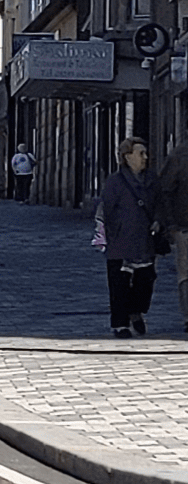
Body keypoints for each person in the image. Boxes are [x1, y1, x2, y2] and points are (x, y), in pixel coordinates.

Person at [98, 136, 160, 338]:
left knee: (146, 282)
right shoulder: (116, 182)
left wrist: (159, 221)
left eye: (145, 153)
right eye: (140, 153)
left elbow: (159, 204)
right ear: (127, 157)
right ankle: (120, 324)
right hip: (121, 242)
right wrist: (113, 234)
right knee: (119, 284)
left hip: (144, 241)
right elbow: (107, 210)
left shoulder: (151, 179)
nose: (145, 157)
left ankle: (136, 311)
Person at [149, 145, 188, 333]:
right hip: (184, 226)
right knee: (186, 273)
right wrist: (171, 224)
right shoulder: (179, 156)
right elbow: (164, 191)